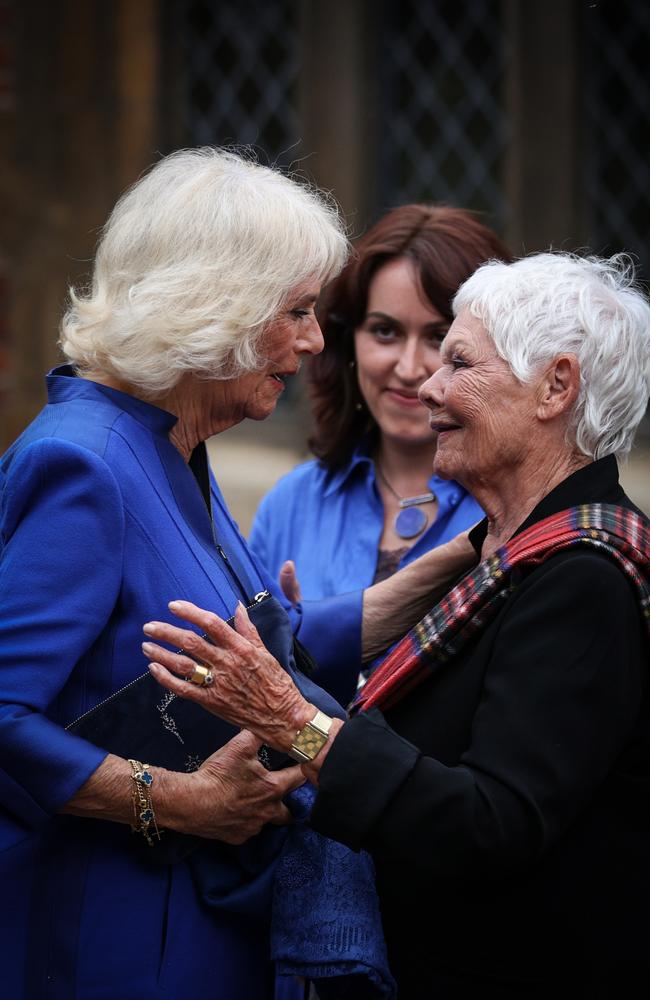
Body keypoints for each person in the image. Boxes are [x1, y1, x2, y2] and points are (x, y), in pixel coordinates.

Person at [0, 148, 475, 999]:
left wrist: (429, 587)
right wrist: (177, 801)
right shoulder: (86, 465)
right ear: (212, 308)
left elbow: (250, 645)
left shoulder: (174, 442)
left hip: (200, 926)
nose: (314, 341)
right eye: (294, 311)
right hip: (113, 940)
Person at [144, 251, 650, 998]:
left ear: (556, 387)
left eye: (459, 362)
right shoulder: (515, 550)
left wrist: (293, 719)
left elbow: (489, 824)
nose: (429, 387)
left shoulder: (583, 579)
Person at [249, 204, 512, 701]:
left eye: (440, 337)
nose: (411, 368)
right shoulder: (292, 503)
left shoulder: (515, 509)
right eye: (385, 332)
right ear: (347, 342)